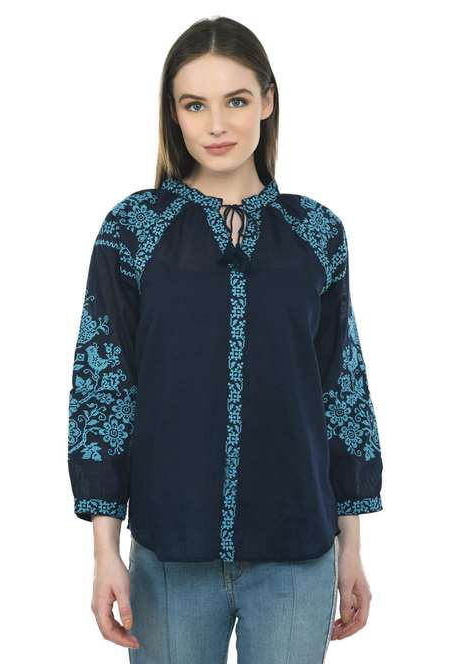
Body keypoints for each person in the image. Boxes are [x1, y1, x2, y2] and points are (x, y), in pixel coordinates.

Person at [67, 15, 384, 664]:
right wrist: (104, 551)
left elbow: (341, 388)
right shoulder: (133, 230)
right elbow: (103, 390)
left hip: (298, 550)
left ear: (267, 101)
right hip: (169, 550)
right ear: (173, 114)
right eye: (195, 105)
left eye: (236, 101)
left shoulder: (317, 231)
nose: (217, 125)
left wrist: (352, 547)